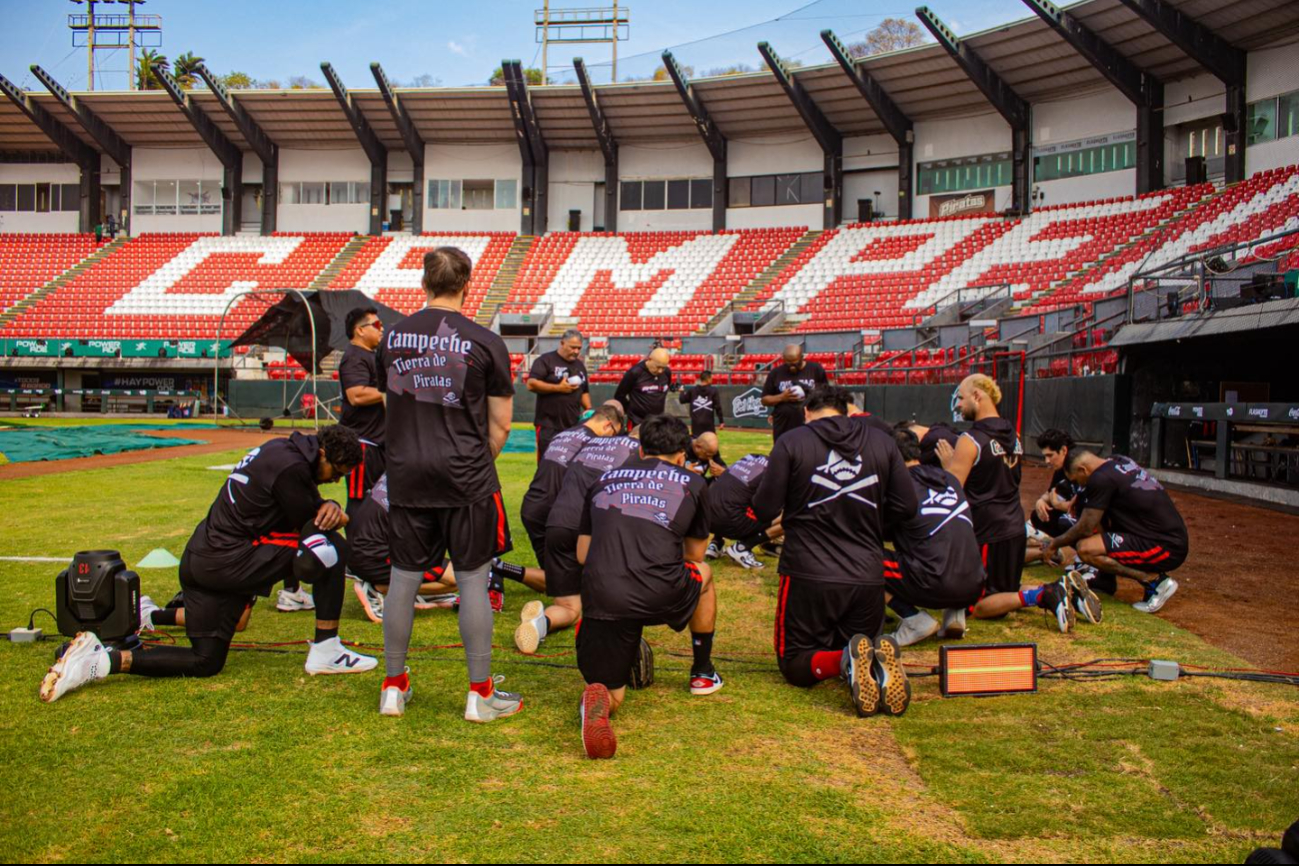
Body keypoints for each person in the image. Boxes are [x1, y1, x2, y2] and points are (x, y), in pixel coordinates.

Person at [40, 427, 378, 703]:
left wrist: (329, 507)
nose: (335, 481)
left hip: (202, 560)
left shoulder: (281, 450)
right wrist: (339, 513)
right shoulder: (291, 468)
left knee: (206, 661)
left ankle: (102, 660)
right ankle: (327, 649)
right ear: (322, 453)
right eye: (336, 473)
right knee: (331, 548)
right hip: (231, 560)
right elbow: (316, 525)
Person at [374, 247, 521, 722]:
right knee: (474, 579)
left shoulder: (391, 338)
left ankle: (393, 686)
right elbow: (500, 425)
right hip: (466, 474)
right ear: (467, 284)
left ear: (424, 284)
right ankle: (479, 694)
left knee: (403, 578)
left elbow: (388, 402)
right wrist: (471, 462)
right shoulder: (485, 341)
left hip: (407, 472)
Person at [754, 386, 919, 718]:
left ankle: (845, 660)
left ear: (807, 412)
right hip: (868, 575)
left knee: (795, 663)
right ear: (848, 410)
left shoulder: (792, 441)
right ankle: (862, 661)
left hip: (808, 572)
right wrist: (873, 524)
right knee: (858, 642)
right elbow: (908, 506)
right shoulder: (883, 442)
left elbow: (764, 507)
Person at [576, 414, 721, 759]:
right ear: (683, 453)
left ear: (640, 449)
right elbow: (694, 553)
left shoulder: (603, 480)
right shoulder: (693, 483)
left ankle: (598, 701)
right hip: (661, 589)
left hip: (603, 593)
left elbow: (583, 553)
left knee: (613, 693)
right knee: (705, 572)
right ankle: (702, 672)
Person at [348, 474, 545, 625]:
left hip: (366, 547)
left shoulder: (405, 465)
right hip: (377, 555)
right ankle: (379, 588)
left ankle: (393, 583)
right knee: (466, 581)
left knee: (461, 570)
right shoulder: (435, 484)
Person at [515, 429, 641, 655]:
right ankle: (608, 637)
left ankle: (538, 624)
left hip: (558, 522)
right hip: (593, 526)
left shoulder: (591, 443)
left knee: (569, 607)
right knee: (607, 592)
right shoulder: (636, 453)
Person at [1045, 449, 1187, 614]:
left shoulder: (1100, 479)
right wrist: (1082, 495)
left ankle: (1155, 581)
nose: (1080, 486)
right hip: (1165, 535)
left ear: (1083, 470)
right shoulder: (1117, 460)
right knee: (1102, 520)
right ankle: (1105, 580)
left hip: (1166, 547)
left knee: (1086, 548)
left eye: (1078, 481)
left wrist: (1054, 544)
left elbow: (1086, 527)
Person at [882, 429, 987, 646]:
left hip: (936, 582)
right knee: (944, 536)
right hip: (974, 584)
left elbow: (877, 529)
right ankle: (954, 614)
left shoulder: (898, 486)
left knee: (860, 558)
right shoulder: (950, 478)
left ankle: (913, 619)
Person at [518, 402, 624, 593]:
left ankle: (501, 569)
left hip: (533, 505)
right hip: (555, 510)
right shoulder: (593, 443)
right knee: (569, 582)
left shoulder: (564, 433)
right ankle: (503, 569)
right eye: (614, 434)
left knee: (557, 576)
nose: (612, 440)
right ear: (608, 425)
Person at [937, 375, 1026, 597]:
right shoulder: (1014, 435)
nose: (958, 404)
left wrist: (949, 465)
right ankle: (1055, 591)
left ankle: (1044, 595)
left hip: (987, 532)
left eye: (961, 398)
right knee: (1007, 590)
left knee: (978, 601)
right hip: (1015, 526)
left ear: (977, 396)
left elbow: (953, 490)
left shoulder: (970, 440)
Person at [704, 453, 784, 570]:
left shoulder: (751, 457)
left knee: (736, 495)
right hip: (730, 522)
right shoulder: (776, 471)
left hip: (707, 519)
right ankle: (742, 547)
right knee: (793, 515)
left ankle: (716, 542)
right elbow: (765, 506)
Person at [527, 329, 591, 460]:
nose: (576, 352)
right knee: (546, 462)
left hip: (573, 425)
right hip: (548, 424)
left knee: (569, 463)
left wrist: (589, 410)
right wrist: (558, 388)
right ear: (562, 343)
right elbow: (531, 384)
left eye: (579, 348)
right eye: (572, 347)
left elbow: (584, 391)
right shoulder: (545, 360)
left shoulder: (580, 365)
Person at [760, 344, 829, 443]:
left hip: (809, 422)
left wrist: (809, 394)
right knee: (783, 452)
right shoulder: (776, 373)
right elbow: (764, 400)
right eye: (788, 364)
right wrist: (782, 397)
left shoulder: (815, 369)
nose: (792, 367)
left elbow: (826, 395)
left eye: (795, 363)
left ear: (801, 357)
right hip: (783, 424)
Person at [613, 347, 673, 429]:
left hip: (658, 422)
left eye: (663, 367)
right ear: (649, 359)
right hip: (637, 422)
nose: (660, 371)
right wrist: (631, 410)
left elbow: (666, 388)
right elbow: (619, 395)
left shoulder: (666, 372)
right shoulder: (635, 373)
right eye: (658, 367)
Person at [679, 370, 724, 437]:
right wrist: (721, 421)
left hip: (696, 423)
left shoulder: (693, 391)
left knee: (697, 442)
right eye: (711, 378)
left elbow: (682, 400)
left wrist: (681, 392)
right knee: (709, 442)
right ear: (708, 379)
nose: (712, 380)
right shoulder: (713, 390)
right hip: (708, 422)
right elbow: (718, 407)